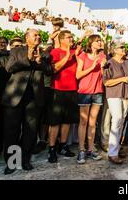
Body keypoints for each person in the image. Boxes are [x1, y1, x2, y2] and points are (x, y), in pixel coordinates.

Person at [2, 29, 52, 174]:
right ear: (27, 37)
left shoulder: (45, 54)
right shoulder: (16, 51)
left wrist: (39, 62)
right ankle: (12, 161)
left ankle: (25, 159)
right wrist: (27, 59)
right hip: (15, 97)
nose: (38, 36)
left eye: (39, 35)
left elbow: (49, 71)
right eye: (35, 35)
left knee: (30, 131)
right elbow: (9, 68)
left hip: (34, 98)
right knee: (12, 130)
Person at [47, 30, 80, 163]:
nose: (71, 39)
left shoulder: (75, 53)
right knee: (55, 122)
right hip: (57, 90)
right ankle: (52, 148)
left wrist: (74, 55)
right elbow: (54, 69)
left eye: (72, 37)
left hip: (72, 90)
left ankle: (63, 146)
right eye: (68, 37)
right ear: (61, 40)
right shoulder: (55, 52)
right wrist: (66, 56)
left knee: (67, 121)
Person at [75, 35, 106, 164]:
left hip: (98, 91)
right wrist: (92, 67)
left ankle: (91, 149)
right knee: (83, 122)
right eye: (97, 41)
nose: (99, 42)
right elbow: (78, 75)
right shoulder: (83, 55)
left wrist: (102, 67)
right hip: (85, 91)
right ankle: (81, 150)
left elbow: (104, 76)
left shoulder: (103, 57)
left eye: (100, 40)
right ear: (91, 43)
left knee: (93, 122)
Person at [103, 39, 128, 164]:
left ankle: (116, 149)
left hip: (126, 94)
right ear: (114, 50)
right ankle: (112, 153)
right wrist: (122, 79)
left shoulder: (127, 62)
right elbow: (107, 82)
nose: (123, 49)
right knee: (117, 119)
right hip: (114, 94)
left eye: (123, 47)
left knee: (121, 121)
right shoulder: (109, 63)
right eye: (121, 47)